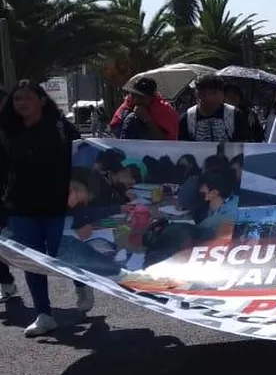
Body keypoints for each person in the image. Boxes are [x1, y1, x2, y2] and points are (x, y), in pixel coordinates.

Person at [0, 80, 95, 336]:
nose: (21, 103)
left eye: (27, 98)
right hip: (20, 207)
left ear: (42, 100)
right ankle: (44, 314)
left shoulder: (60, 127)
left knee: (62, 253)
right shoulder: (7, 130)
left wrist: (78, 190)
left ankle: (81, 283)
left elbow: (84, 156)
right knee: (31, 262)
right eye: (17, 99)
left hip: (58, 205)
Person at [179, 74, 254, 142]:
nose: (208, 97)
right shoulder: (186, 119)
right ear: (196, 94)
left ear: (222, 94)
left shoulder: (236, 115)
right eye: (202, 93)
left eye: (213, 93)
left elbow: (244, 145)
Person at [108, 77, 179, 140]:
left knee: (132, 118)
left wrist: (147, 119)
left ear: (151, 98)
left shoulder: (164, 111)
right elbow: (114, 128)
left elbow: (167, 142)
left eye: (140, 97)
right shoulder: (128, 104)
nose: (135, 100)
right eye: (133, 95)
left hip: (159, 151)